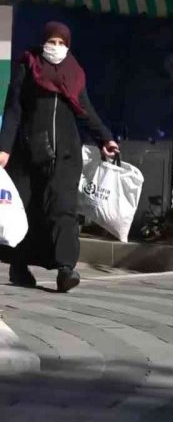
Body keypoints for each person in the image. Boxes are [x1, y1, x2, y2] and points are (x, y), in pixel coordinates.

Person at [0, 21, 119, 292]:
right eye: (51, 42)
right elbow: (14, 108)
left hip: (65, 154)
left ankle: (66, 269)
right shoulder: (28, 65)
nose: (56, 47)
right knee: (25, 211)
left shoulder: (73, 72)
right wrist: (4, 148)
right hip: (27, 153)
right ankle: (19, 267)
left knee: (62, 209)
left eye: (62, 43)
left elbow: (84, 108)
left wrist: (104, 138)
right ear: (43, 42)